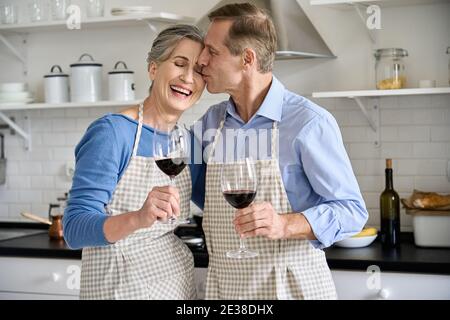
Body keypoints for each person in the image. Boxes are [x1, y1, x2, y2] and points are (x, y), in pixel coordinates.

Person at [191, 3, 368, 299]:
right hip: (226, 290)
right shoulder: (210, 122)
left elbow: (352, 211)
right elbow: (197, 192)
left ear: (247, 59)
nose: (201, 61)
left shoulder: (309, 123)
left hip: (291, 287)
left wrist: (285, 224)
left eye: (212, 51)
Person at [63, 24, 205, 300]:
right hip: (119, 288)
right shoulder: (113, 133)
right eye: (179, 63)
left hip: (175, 285)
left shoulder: (189, 142)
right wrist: (139, 218)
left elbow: (218, 203)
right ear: (153, 69)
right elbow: (74, 229)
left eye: (199, 69)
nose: (188, 77)